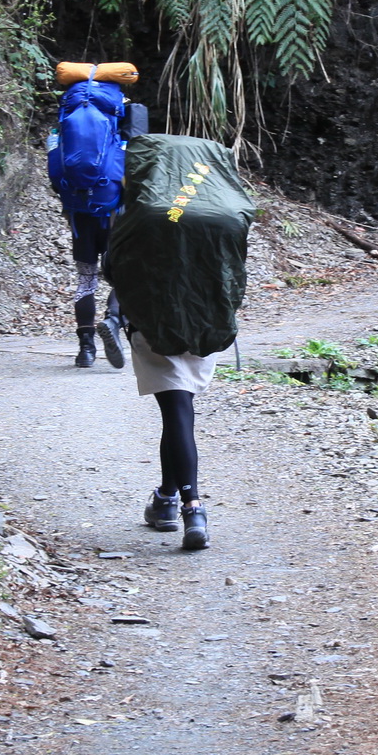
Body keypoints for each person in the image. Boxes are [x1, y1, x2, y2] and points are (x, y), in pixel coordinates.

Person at [102, 133, 253, 553]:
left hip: (153, 324)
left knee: (176, 411)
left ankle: (192, 506)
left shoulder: (144, 211)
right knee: (181, 409)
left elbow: (112, 271)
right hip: (208, 323)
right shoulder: (226, 209)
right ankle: (167, 499)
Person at [45, 72, 128, 369]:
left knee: (86, 279)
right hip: (113, 213)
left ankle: (86, 349)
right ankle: (113, 320)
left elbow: (55, 175)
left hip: (79, 213)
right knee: (123, 277)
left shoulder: (60, 130)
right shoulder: (119, 131)